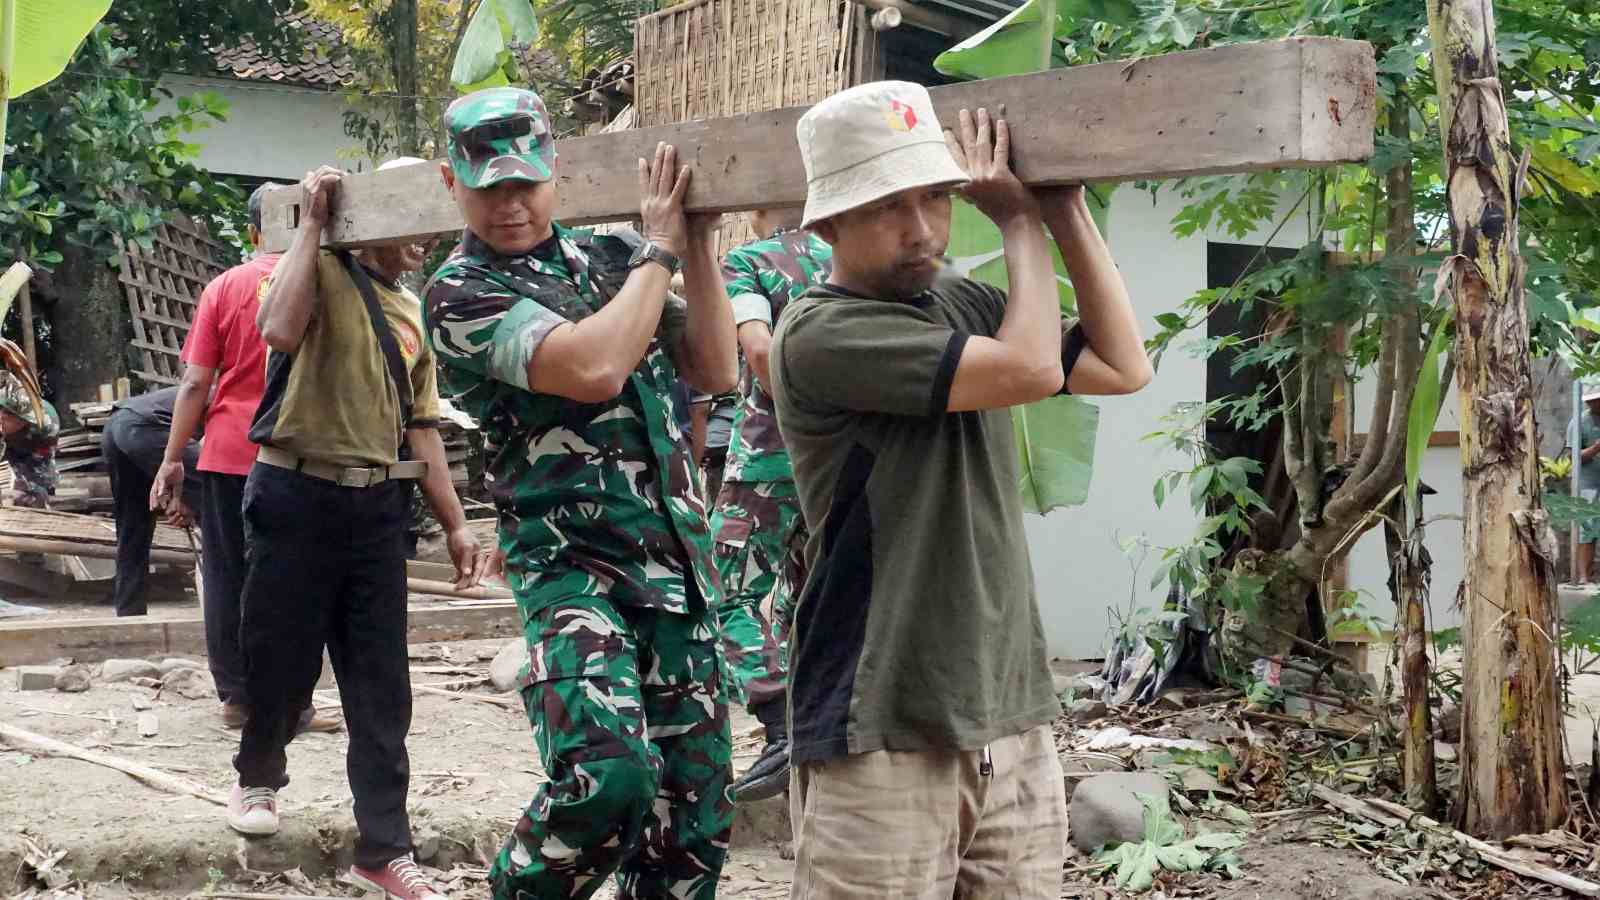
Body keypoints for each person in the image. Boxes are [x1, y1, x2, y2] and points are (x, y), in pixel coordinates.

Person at [769, 83, 1152, 898]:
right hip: (883, 725)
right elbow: (1030, 368)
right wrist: (1017, 220)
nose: (922, 230)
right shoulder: (818, 332)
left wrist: (1064, 211)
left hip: (1008, 714)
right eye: (888, 207)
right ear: (828, 221)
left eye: (937, 198)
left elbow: (1123, 366)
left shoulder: (961, 304)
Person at [425, 86, 738, 900]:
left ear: (554, 171)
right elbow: (594, 367)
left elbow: (716, 369)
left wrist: (696, 245)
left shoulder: (610, 262)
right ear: (449, 184)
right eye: (488, 187)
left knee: (693, 825)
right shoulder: (458, 295)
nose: (510, 203)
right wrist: (661, 252)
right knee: (607, 778)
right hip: (571, 572)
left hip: (677, 572)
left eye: (524, 181)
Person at [226, 157, 488, 900]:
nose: (425, 239)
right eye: (409, 217)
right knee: (279, 660)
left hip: (377, 509)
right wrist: (315, 222)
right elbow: (277, 330)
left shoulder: (411, 312)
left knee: (381, 686)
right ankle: (259, 776)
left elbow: (422, 428)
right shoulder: (318, 272)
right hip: (294, 492)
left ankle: (384, 845)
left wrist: (458, 525)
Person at [708, 207, 831, 801]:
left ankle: (780, 724)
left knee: (724, 587)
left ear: (757, 210)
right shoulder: (850, 258)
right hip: (844, 462)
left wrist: (806, 414)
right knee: (810, 592)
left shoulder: (752, 261)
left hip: (768, 459)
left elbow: (758, 351)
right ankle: (820, 722)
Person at [152, 182, 282, 724]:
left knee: (226, 575)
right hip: (295, 455)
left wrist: (171, 458)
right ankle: (284, 699)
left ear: (252, 232)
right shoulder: (327, 285)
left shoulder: (224, 287)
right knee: (286, 578)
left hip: (228, 452)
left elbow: (194, 384)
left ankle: (235, 697)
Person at [104, 387, 199, 617]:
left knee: (132, 528)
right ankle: (230, 605)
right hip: (145, 428)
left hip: (114, 428)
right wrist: (191, 502)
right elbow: (207, 460)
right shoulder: (229, 395)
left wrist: (181, 498)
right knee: (220, 507)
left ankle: (129, 614)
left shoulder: (204, 390)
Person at [0, 373, 58, 509]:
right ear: (3, 416)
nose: (23, 422)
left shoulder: (47, 424)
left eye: (25, 420)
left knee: (37, 489)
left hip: (32, 443)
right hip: (8, 438)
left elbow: (40, 464)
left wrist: (32, 487)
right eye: (20, 420)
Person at [1570, 386, 1600, 582]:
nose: (1594, 403)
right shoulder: (1579, 421)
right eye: (1591, 400)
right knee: (1587, 531)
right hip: (1588, 484)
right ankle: (1583, 577)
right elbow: (1573, 457)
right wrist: (1596, 448)